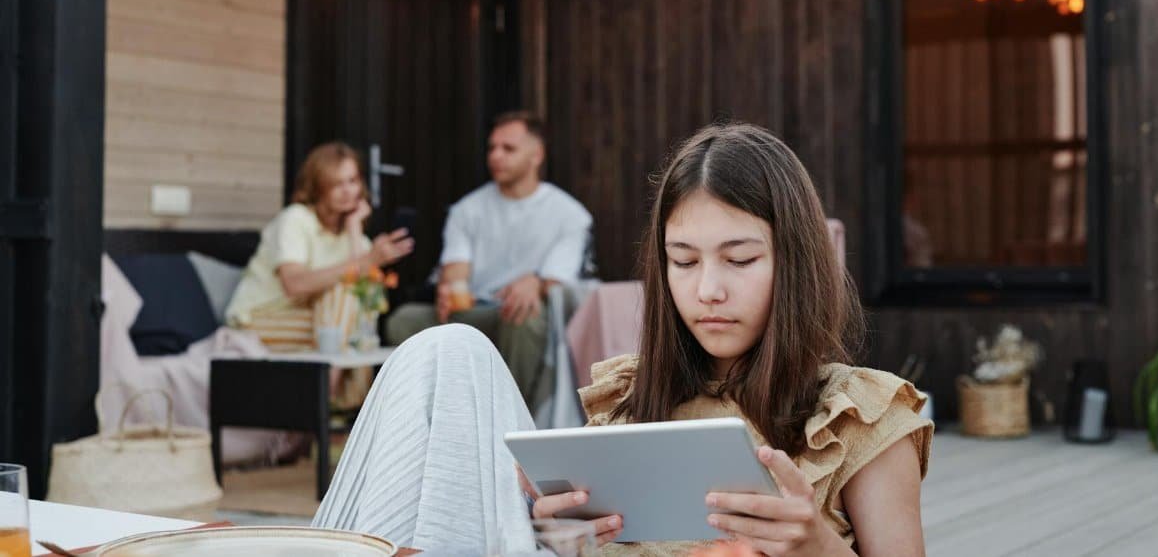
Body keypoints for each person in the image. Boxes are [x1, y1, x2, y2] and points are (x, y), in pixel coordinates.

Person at [315, 124, 932, 556]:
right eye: (683, 261)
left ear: (795, 262)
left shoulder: (858, 415)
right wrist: (551, 530)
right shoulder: (630, 397)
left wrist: (817, 549)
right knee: (445, 350)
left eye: (739, 260)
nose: (707, 290)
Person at [385, 111, 593, 408]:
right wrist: (448, 288)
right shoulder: (468, 209)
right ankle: (426, 418)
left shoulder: (569, 214)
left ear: (536, 155)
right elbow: (456, 270)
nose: (496, 156)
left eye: (508, 149)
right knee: (402, 321)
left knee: (523, 317)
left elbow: (558, 279)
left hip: (525, 314)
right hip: (475, 313)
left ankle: (510, 421)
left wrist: (535, 282)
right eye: (492, 148)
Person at [226, 142, 414, 351]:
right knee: (348, 333)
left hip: (317, 320)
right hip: (259, 319)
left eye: (352, 181)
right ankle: (332, 382)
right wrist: (367, 261)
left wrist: (354, 230)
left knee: (349, 326)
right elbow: (294, 285)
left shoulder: (355, 235)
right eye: (336, 184)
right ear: (317, 187)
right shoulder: (296, 219)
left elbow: (364, 301)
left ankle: (329, 381)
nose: (347, 191)